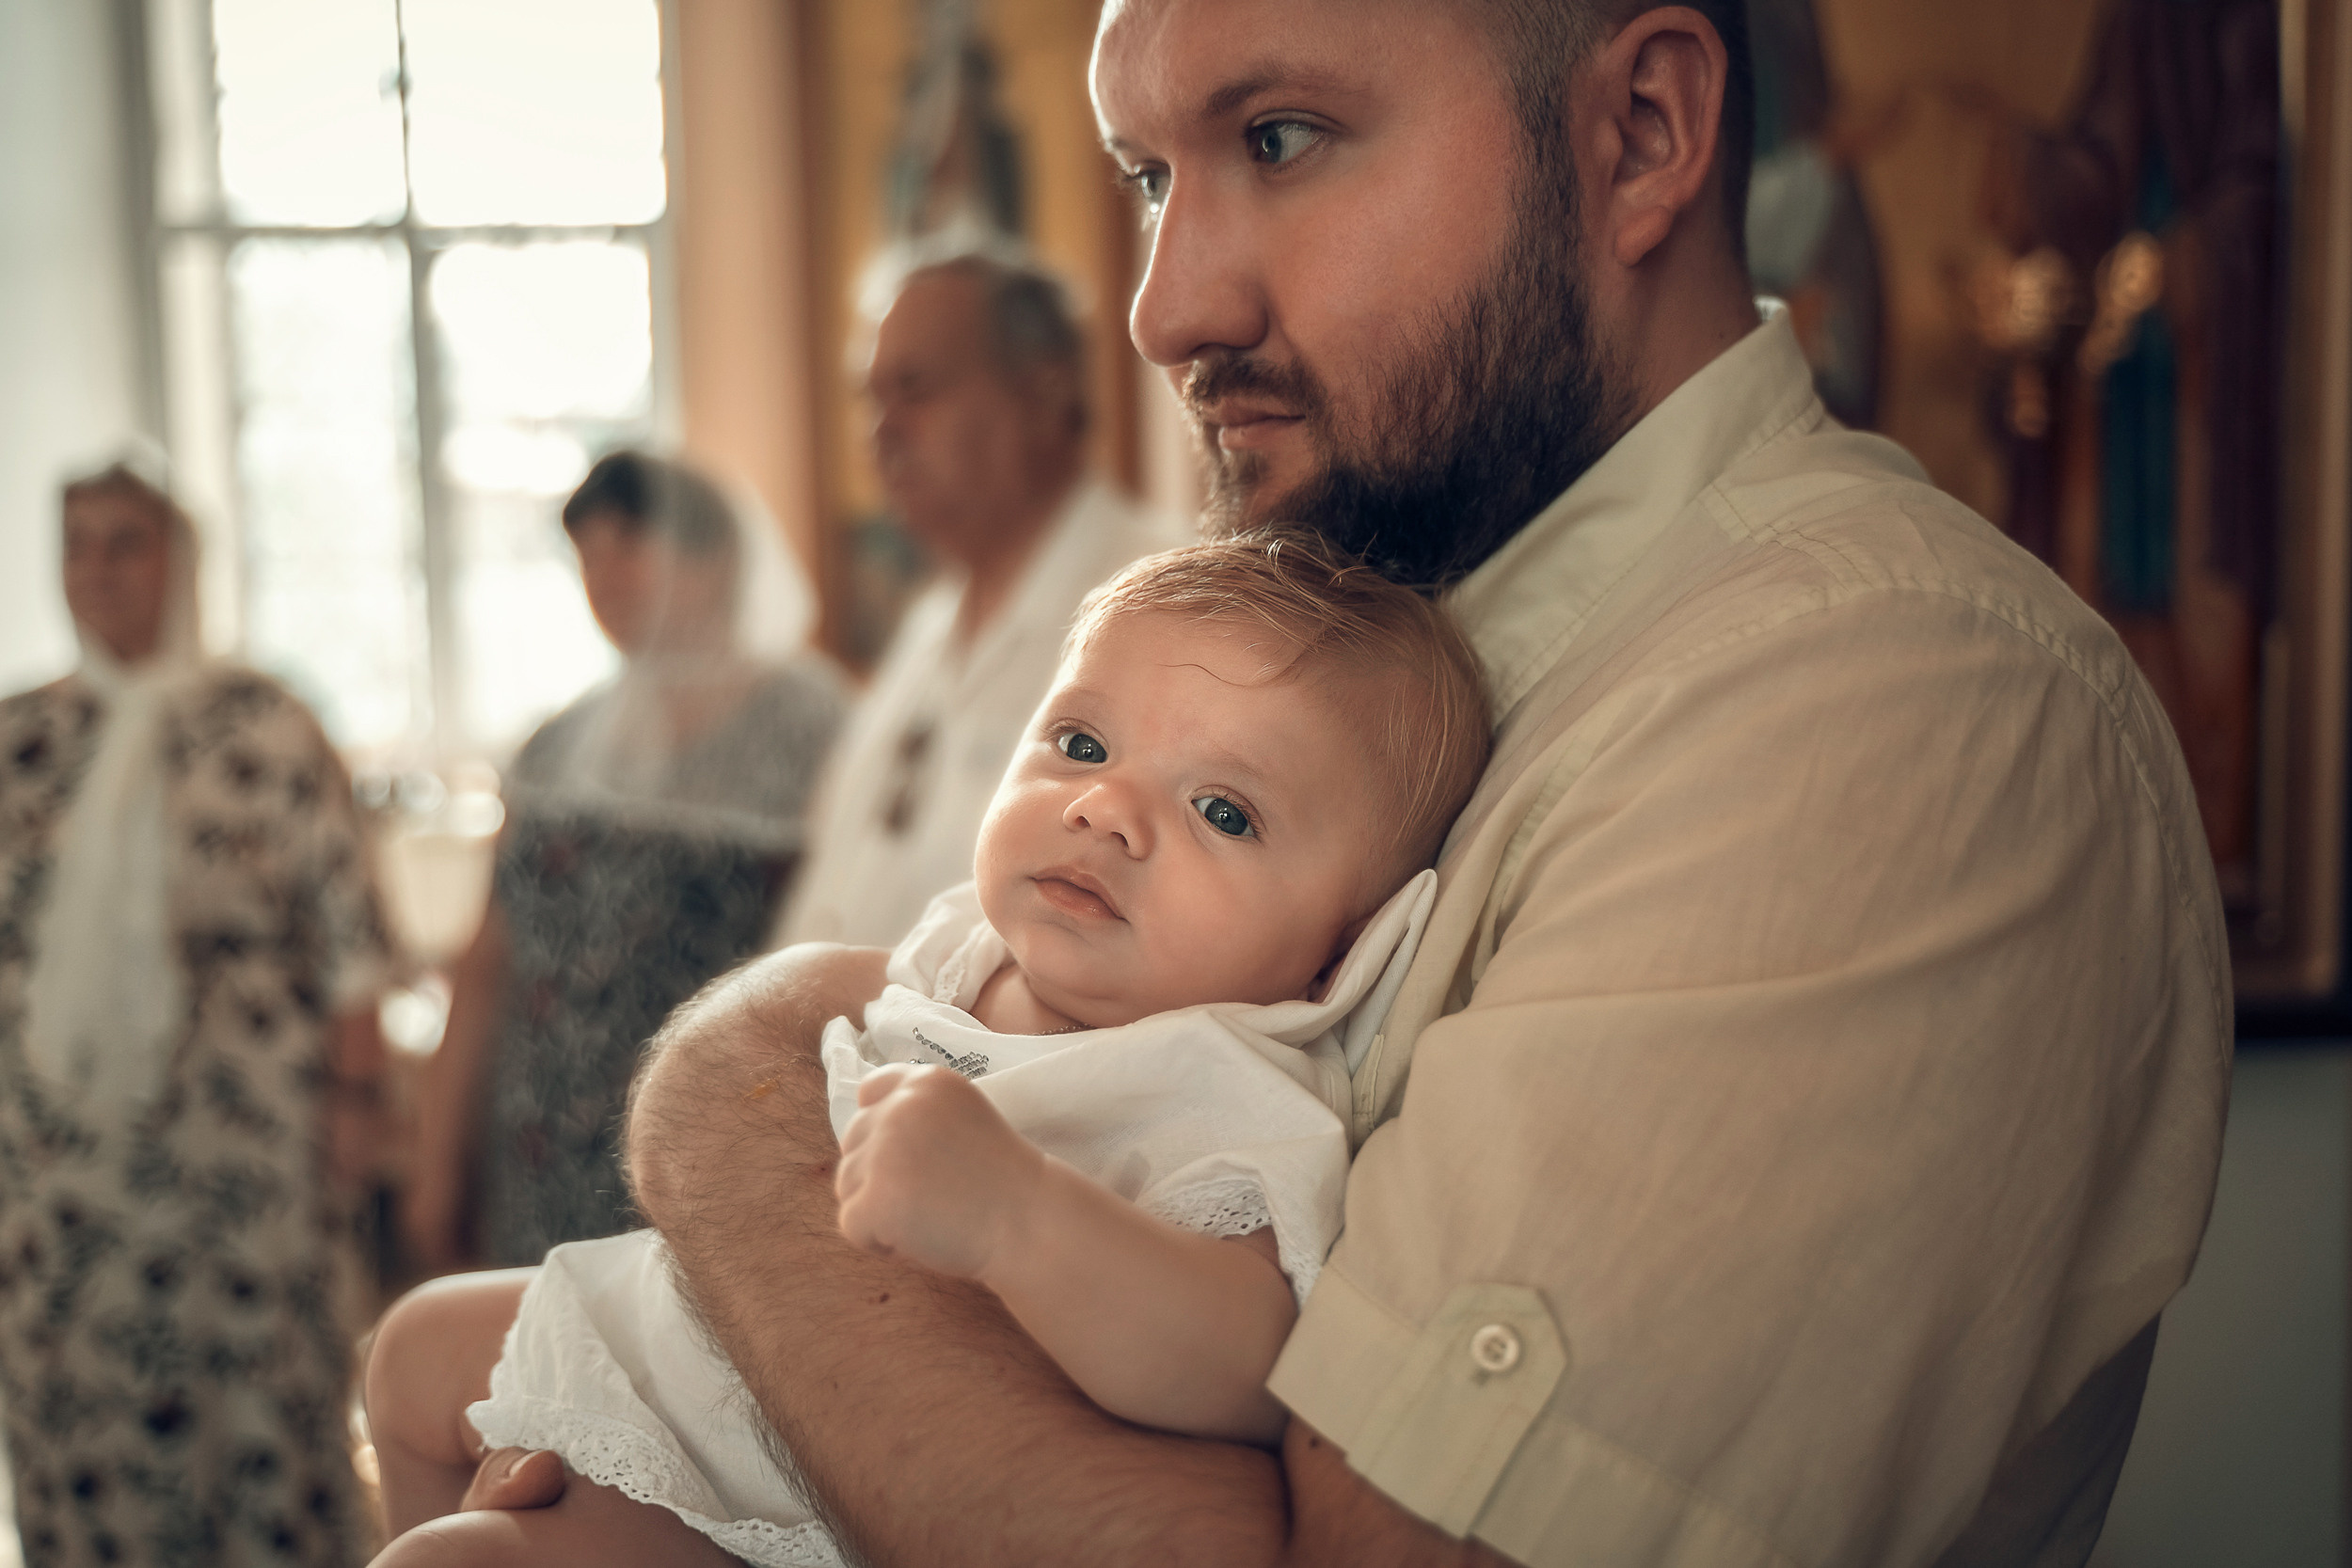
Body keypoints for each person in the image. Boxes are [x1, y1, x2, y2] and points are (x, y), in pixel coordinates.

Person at [475, 3, 2233, 1564]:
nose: (1168, 305)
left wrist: (746, 1085)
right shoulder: (1357, 647)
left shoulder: (1892, 697)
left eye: (1281, 138)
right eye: (1155, 173)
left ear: (1643, 136)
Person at [360, 537, 1490, 1567]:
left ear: (1341, 956)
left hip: (783, 1471)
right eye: (1082, 742)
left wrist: (1021, 1216)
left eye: (1224, 811)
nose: (1105, 807)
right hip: (703, 1335)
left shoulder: (1224, 1088)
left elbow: (1247, 1362)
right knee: (410, 1350)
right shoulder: (965, 944)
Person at [0, 463, 396, 1566]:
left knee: (262, 1411)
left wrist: (359, 1111)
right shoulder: (20, 738)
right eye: (78, 542)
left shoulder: (265, 723)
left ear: (181, 561)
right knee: (82, 1410)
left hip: (246, 1147)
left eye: (128, 541)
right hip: (60, 1161)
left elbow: (353, 946)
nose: (101, 568)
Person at [404, 452, 844, 1271]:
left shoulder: (809, 726)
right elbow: (490, 958)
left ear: (714, 561)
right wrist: (439, 1162)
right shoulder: (558, 742)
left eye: (629, 546)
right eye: (587, 555)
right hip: (534, 1155)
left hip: (702, 1155)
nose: (605, 577)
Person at [775, 241, 1183, 949]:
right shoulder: (932, 619)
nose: (883, 430)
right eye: (871, 398)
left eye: (916, 389)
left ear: (1045, 390)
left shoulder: (1161, 601)